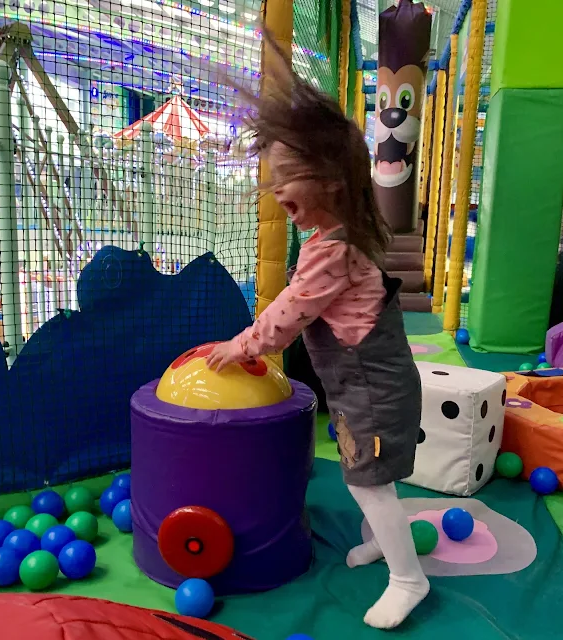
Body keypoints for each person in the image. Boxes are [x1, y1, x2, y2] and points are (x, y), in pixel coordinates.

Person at [206, 32, 428, 630]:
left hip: (371, 389)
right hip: (365, 384)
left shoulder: (332, 252)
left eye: (288, 178)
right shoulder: (328, 242)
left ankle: (410, 578)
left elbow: (290, 313)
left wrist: (243, 344)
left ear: (331, 179)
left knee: (368, 483)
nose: (278, 193)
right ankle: (388, 544)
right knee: (370, 479)